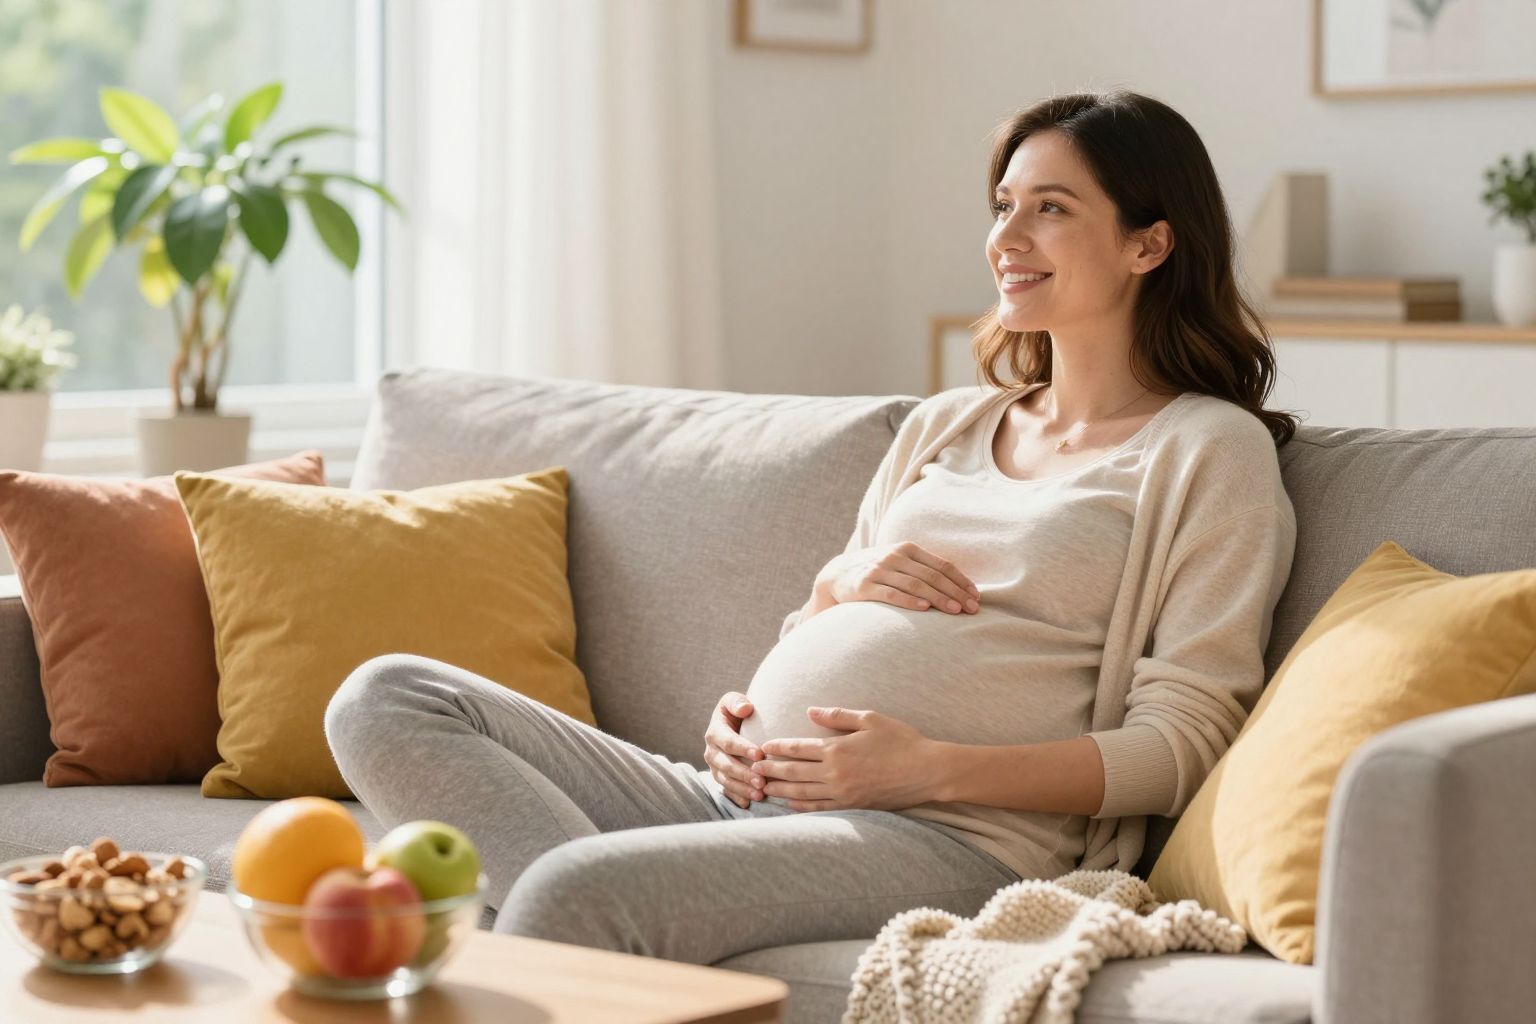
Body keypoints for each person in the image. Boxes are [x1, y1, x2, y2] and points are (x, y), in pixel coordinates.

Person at [324, 88, 1298, 966]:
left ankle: (607, 918)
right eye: (1003, 205)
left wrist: (931, 769)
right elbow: (813, 631)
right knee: (383, 697)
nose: (1008, 235)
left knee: (567, 894)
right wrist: (744, 708)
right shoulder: (944, 424)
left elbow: (1182, 745)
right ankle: (635, 929)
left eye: (1051, 208)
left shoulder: (1206, 451)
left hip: (948, 838)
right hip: (734, 796)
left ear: (1149, 243)